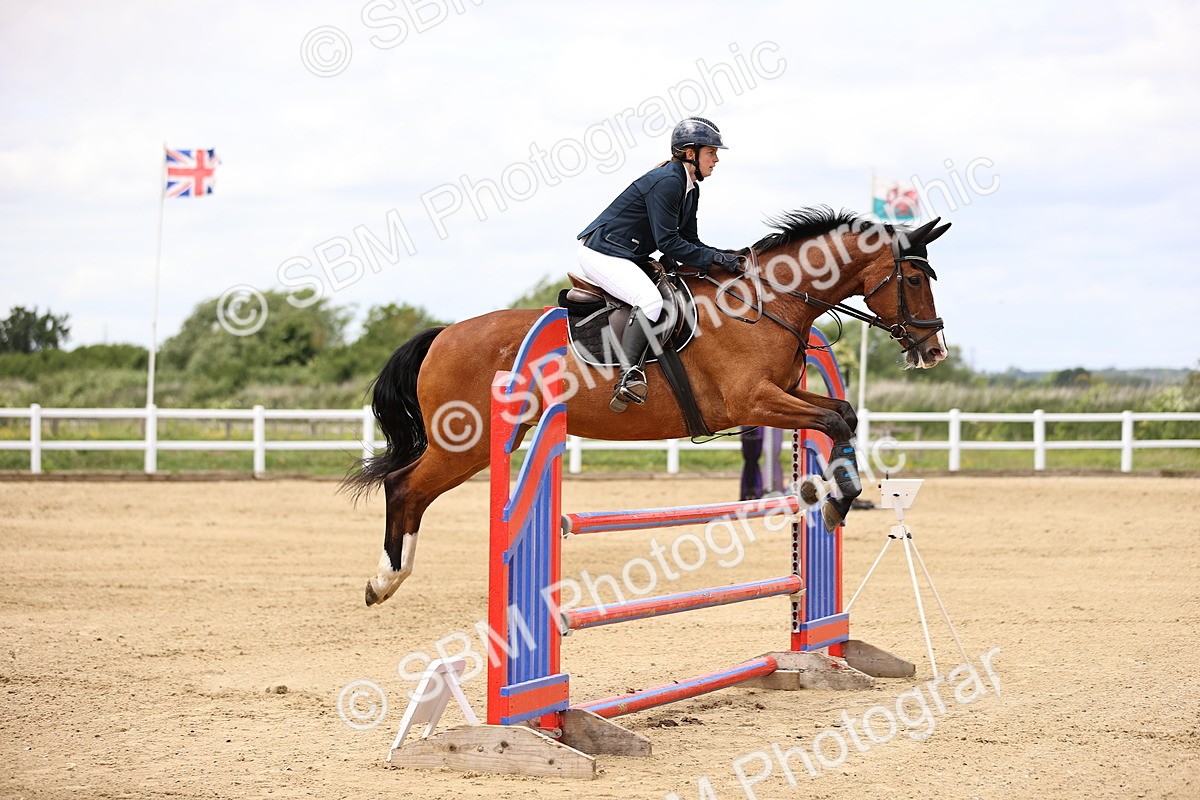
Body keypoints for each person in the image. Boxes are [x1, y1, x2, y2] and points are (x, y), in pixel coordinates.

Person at [577, 116, 742, 412]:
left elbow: (690, 240)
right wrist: (716, 258)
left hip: (628, 253)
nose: (716, 159)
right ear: (690, 153)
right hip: (602, 253)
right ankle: (628, 376)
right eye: (711, 152)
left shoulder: (690, 187)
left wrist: (725, 257)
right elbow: (668, 244)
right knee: (650, 301)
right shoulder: (668, 182)